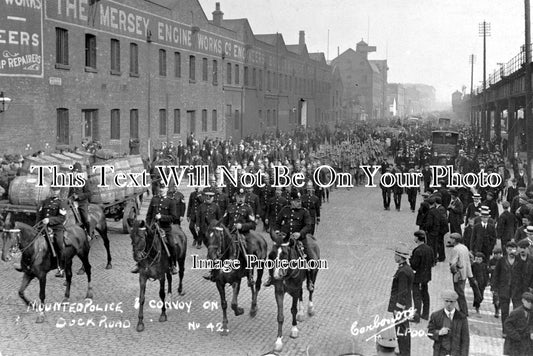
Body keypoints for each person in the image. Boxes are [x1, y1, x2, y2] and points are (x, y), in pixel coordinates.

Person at [264, 188, 314, 291]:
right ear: (291, 201)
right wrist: (277, 232)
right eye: (296, 201)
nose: (299, 203)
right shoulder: (285, 209)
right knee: (272, 255)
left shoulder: (304, 212)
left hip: (299, 240)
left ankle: (309, 281)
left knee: (309, 257)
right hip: (284, 240)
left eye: (299, 201)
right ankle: (270, 276)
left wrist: (300, 233)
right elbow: (277, 223)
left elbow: (308, 225)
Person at [14, 186, 68, 277]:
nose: (55, 192)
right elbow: (39, 216)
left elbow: (62, 218)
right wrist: (37, 226)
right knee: (29, 242)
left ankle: (61, 268)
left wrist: (50, 220)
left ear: (59, 191)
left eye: (57, 190)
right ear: (50, 190)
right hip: (43, 227)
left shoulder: (61, 203)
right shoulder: (44, 202)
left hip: (56, 228)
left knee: (59, 244)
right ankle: (24, 264)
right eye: (53, 190)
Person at [132, 186, 178, 274]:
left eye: (163, 187)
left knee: (172, 245)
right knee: (142, 242)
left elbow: (173, 217)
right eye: (160, 187)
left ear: (167, 189)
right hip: (153, 228)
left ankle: (173, 265)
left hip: (165, 229)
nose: (161, 189)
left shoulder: (171, 201)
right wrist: (148, 226)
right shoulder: (154, 199)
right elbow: (149, 215)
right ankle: (139, 264)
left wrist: (162, 217)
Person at [387, 244, 414, 356]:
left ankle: (404, 353)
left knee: (402, 330)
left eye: (396, 254)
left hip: (401, 308)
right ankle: (404, 352)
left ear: (400, 256)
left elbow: (402, 292)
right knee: (403, 330)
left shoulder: (402, 271)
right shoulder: (406, 269)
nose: (394, 256)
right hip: (405, 306)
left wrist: (398, 308)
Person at [492, 241, 523, 337]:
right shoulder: (501, 261)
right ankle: (505, 331)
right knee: (505, 312)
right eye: (510, 249)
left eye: (514, 249)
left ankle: (514, 330)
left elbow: (524, 275)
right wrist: (494, 288)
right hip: (503, 289)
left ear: (516, 250)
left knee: (516, 311)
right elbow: (496, 274)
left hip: (516, 290)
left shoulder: (520, 261)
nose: (512, 252)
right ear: (506, 250)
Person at [427, 290, 470, 356]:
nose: (449, 304)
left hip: (455, 353)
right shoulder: (436, 316)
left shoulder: (462, 318)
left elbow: (465, 340)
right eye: (446, 301)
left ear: (455, 302)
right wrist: (439, 332)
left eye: (451, 302)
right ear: (443, 301)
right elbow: (429, 333)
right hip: (440, 353)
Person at [410, 230, 434, 322]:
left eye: (415, 237)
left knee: (417, 296)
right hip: (426, 276)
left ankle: (416, 317)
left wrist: (411, 260)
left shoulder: (417, 250)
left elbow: (414, 265)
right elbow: (432, 262)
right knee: (425, 294)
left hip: (418, 277)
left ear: (417, 238)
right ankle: (425, 314)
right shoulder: (429, 249)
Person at [449, 232, 473, 316]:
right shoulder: (464, 247)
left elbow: (453, 263)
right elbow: (471, 257)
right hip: (465, 272)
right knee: (461, 291)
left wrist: (454, 271)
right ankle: (463, 309)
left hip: (458, 273)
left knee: (459, 292)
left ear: (455, 240)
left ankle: (464, 311)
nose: (450, 240)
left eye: (452, 238)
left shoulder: (455, 249)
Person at [503, 291, 533, 356]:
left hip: (527, 342)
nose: (530, 304)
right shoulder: (517, 312)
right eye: (528, 302)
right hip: (515, 342)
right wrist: (516, 336)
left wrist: (531, 331)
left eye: (531, 302)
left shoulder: (531, 312)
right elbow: (507, 324)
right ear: (523, 301)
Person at [68, 162, 91, 237]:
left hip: (82, 203)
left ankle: (88, 233)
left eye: (77, 172)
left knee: (85, 218)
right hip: (72, 203)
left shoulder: (85, 182)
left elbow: (89, 193)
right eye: (74, 171)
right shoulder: (71, 182)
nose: (75, 173)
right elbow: (69, 193)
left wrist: (78, 196)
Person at [489, 246, 503, 318]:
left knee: (501, 296)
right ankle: (496, 310)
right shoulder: (491, 261)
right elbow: (488, 270)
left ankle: (499, 306)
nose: (496, 255)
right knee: (495, 296)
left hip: (502, 282)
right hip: (494, 281)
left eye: (498, 254)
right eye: (495, 254)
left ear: (501, 254)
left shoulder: (503, 261)